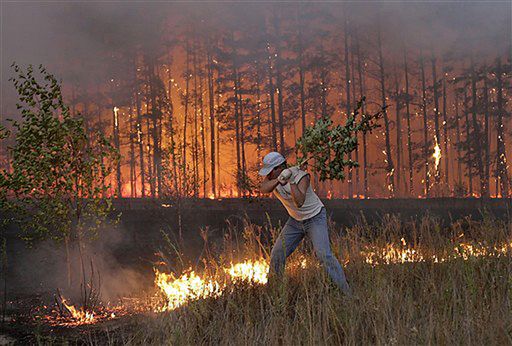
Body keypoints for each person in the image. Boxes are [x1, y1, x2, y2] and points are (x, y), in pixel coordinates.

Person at [259, 151, 351, 294]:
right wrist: (279, 180)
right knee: (277, 253)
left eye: (270, 171)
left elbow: (299, 202)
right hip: (295, 221)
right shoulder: (273, 178)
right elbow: (263, 188)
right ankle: (274, 292)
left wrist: (291, 181)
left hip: (315, 217)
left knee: (323, 254)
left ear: (279, 168)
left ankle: (346, 293)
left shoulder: (302, 176)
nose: (268, 175)